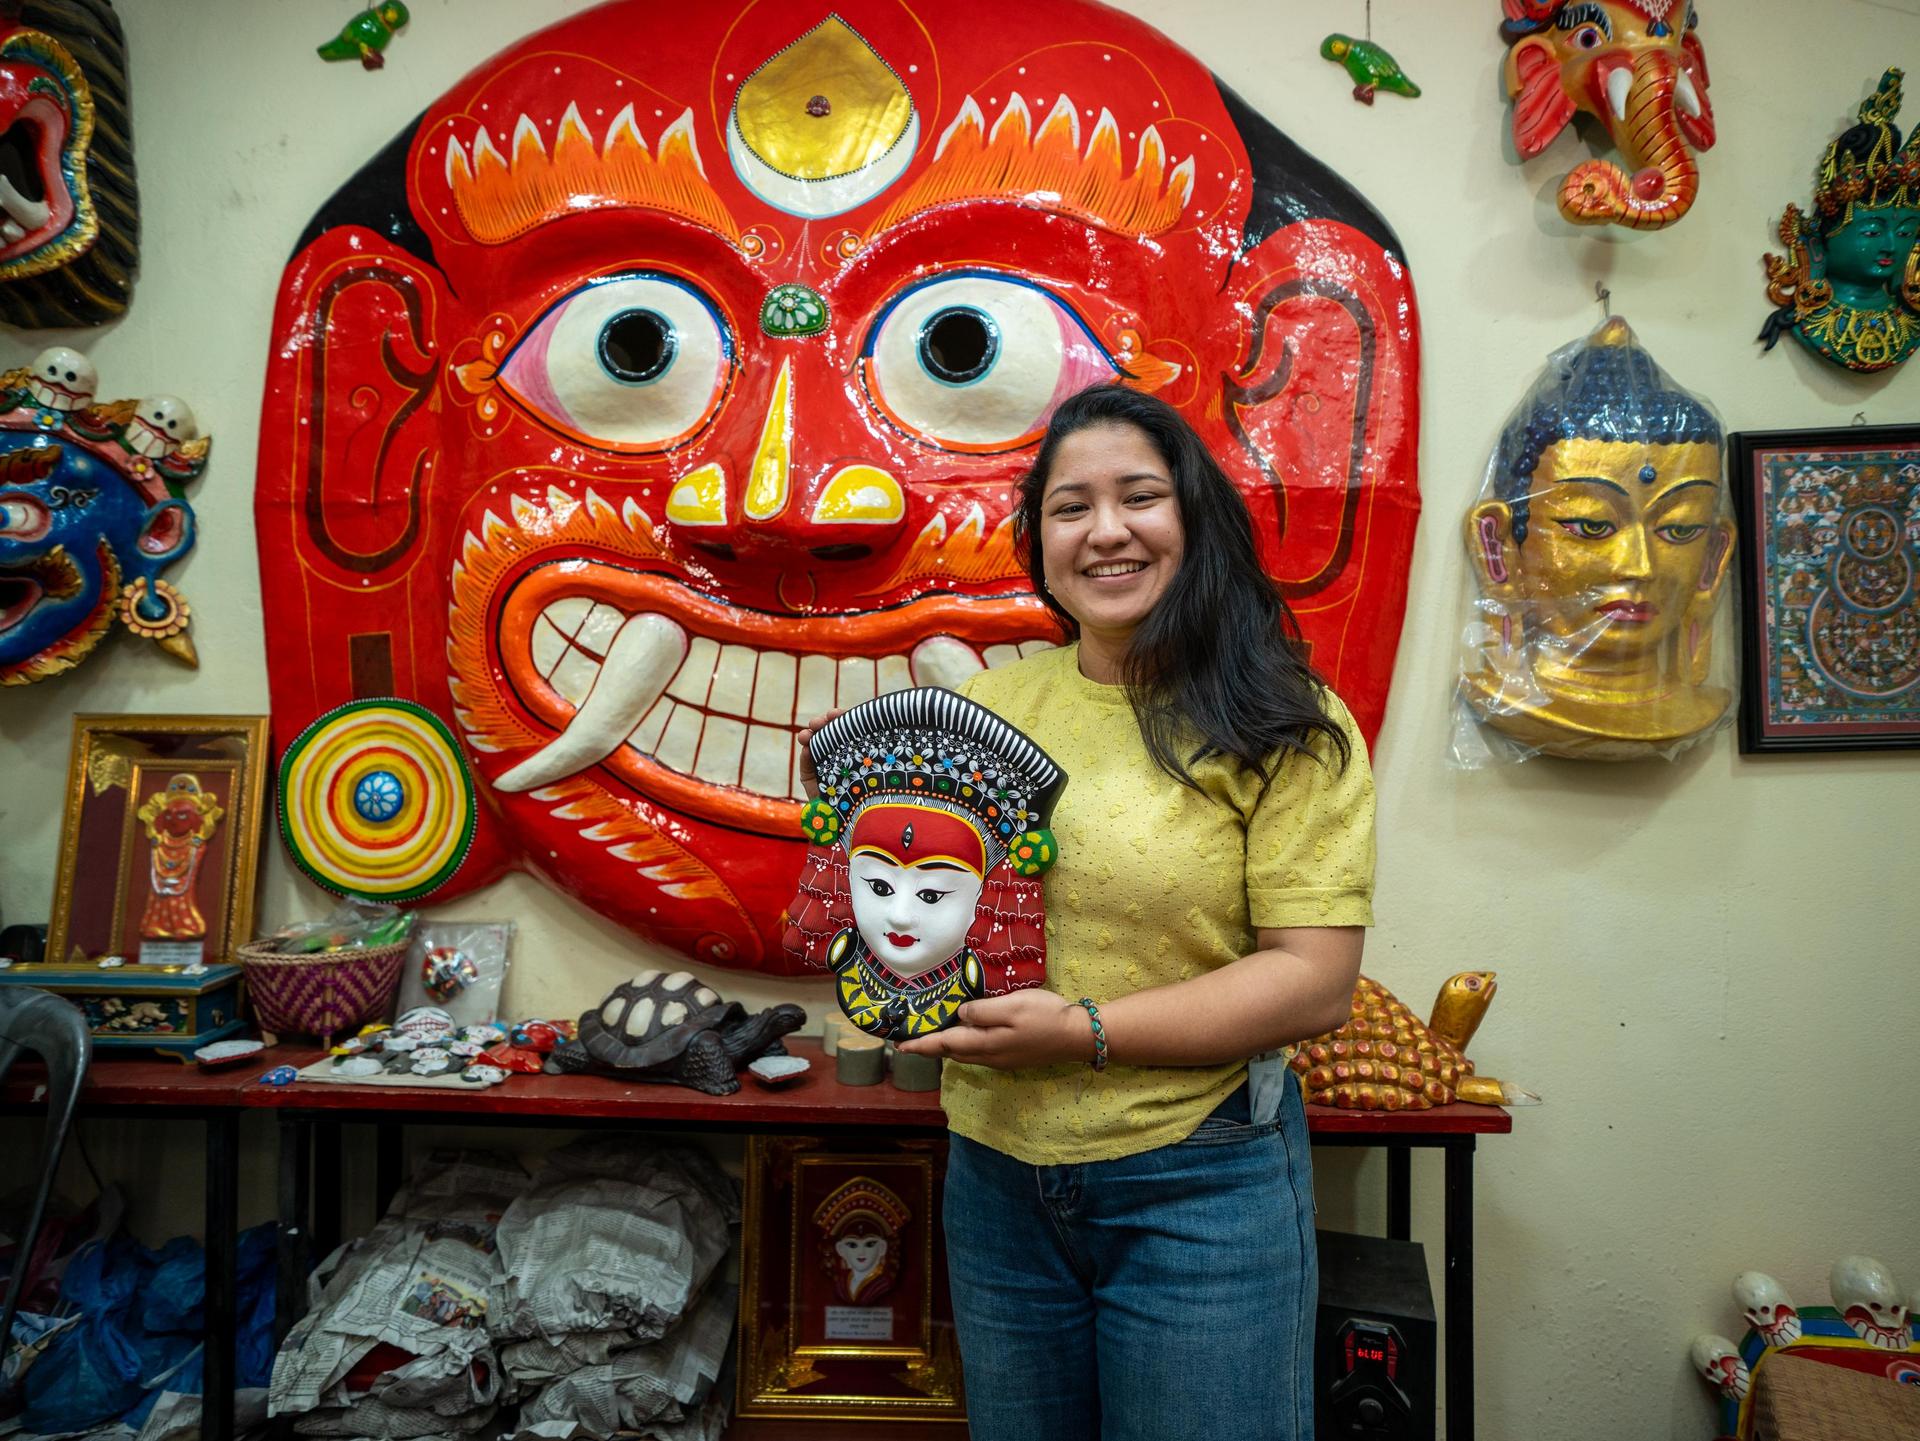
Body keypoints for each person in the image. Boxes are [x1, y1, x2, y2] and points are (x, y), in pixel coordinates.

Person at [802, 383, 1375, 1441]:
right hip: (997, 1178)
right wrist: (891, 967)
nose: (1105, 531)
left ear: (1194, 519)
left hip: (1200, 1180)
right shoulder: (981, 714)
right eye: (1071, 507)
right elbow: (931, 908)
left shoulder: (1284, 720)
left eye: (1139, 497)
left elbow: (1315, 978)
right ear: (1040, 540)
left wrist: (1086, 1031)